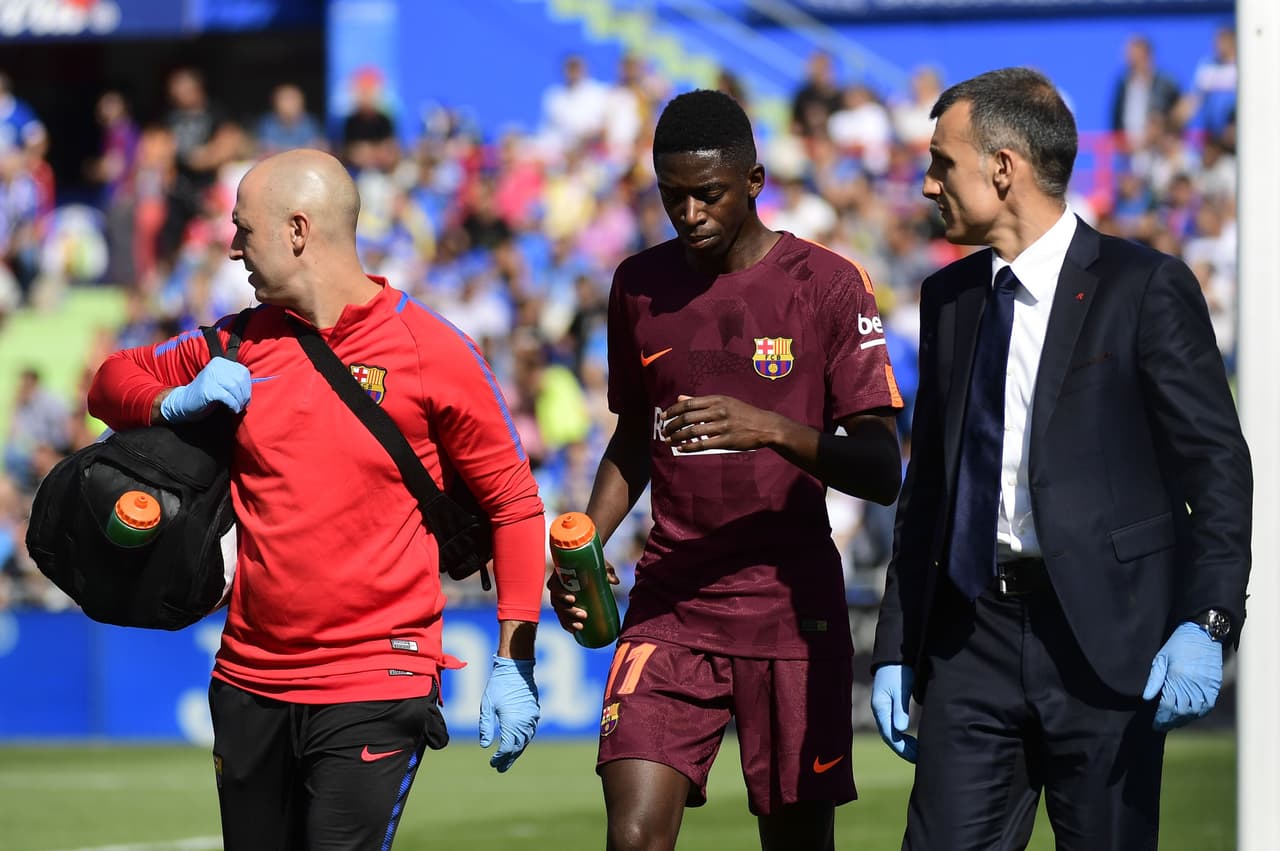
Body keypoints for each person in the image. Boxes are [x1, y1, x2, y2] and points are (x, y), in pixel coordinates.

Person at [87, 149, 546, 850]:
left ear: (297, 230)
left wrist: (514, 660)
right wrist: (173, 399)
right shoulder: (236, 342)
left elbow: (514, 503)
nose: (232, 245)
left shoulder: (434, 349)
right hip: (248, 679)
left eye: (243, 229)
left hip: (377, 676)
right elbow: (110, 383)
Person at [869, 67, 1251, 850]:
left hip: (1108, 643)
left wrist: (1207, 620)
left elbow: (1216, 466)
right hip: (969, 639)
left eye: (942, 162)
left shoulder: (1144, 287)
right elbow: (929, 493)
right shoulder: (949, 299)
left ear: (1002, 168)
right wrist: (896, 647)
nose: (926, 184)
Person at [547, 89, 904, 851]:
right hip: (671, 600)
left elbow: (882, 465)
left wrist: (770, 428)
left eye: (706, 193)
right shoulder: (636, 286)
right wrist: (588, 543)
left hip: (791, 609)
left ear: (754, 180)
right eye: (671, 195)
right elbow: (634, 434)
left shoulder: (829, 285)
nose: (689, 213)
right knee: (634, 837)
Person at [1110, 34, 1181, 151]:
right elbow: (1115, 118)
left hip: (1157, 150)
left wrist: (1161, 131)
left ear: (1146, 54)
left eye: (1133, 52)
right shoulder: (1122, 83)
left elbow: (1181, 110)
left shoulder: (1165, 83)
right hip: (1128, 152)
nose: (1128, 57)